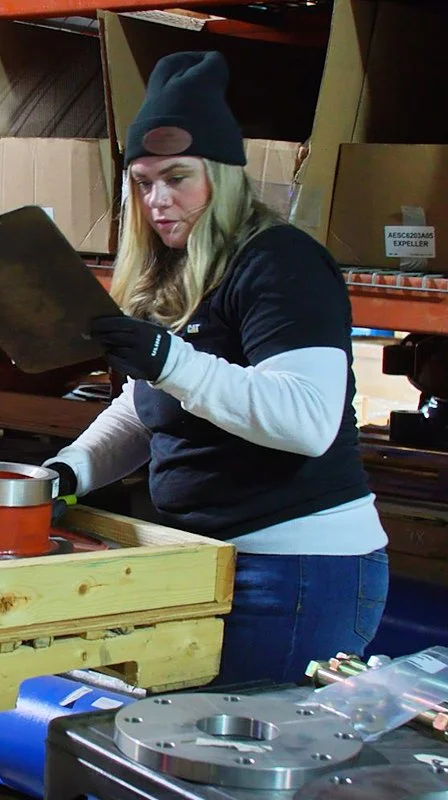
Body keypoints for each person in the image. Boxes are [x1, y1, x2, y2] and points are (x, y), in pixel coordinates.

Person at [45, 51, 389, 687]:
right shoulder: (173, 268)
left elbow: (308, 420)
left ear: (224, 175)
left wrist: (172, 360)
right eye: (143, 183)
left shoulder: (279, 263)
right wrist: (65, 474)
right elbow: (150, 407)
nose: (157, 200)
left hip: (295, 569)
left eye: (177, 178)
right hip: (201, 558)